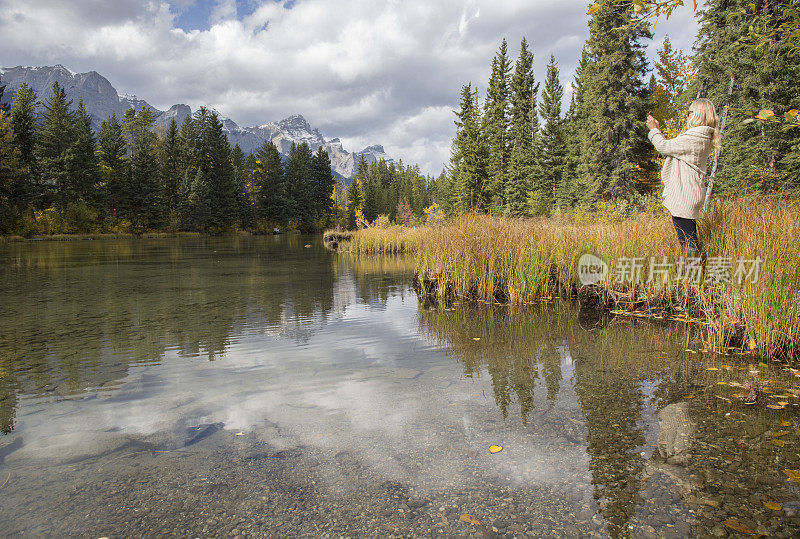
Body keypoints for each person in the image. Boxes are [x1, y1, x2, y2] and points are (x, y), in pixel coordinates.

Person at [646, 99, 720, 259]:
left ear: (699, 114)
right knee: (689, 239)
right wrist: (657, 130)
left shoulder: (695, 136)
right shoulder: (702, 136)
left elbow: (663, 147)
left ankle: (694, 280)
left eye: (690, 112)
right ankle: (696, 276)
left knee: (688, 242)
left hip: (684, 195)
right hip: (691, 192)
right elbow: (673, 149)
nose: (687, 116)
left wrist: (653, 130)